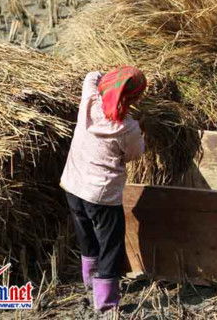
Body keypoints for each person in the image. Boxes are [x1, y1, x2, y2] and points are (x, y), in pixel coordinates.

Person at [60, 66, 147, 313]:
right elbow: (135, 153)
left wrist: (105, 75)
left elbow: (90, 76)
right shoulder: (127, 127)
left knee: (86, 234)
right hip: (102, 195)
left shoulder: (89, 98)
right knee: (111, 244)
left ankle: (89, 281)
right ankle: (106, 302)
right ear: (134, 99)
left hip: (73, 185)